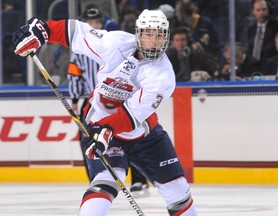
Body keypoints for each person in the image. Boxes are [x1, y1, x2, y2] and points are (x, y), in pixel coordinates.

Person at [13, 9, 198, 216]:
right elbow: (76, 33)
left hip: (143, 134)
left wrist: (106, 132)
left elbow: (131, 116)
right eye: (148, 34)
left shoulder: (163, 75)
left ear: (166, 37)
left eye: (159, 35)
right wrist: (44, 30)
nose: (153, 40)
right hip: (99, 123)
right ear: (138, 34)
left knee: (178, 190)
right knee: (107, 180)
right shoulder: (116, 43)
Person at [68, 4, 150, 196]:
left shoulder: (111, 43)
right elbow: (74, 74)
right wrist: (74, 98)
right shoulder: (80, 50)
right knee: (89, 142)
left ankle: (139, 179)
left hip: (120, 99)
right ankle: (96, 180)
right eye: (90, 22)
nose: (94, 25)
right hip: (91, 103)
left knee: (130, 137)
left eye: (97, 22)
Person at [247, 0, 278, 64]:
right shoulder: (251, 30)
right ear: (253, 12)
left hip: (272, 66)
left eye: (264, 9)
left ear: (268, 10)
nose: (261, 13)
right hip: (253, 67)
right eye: (258, 10)